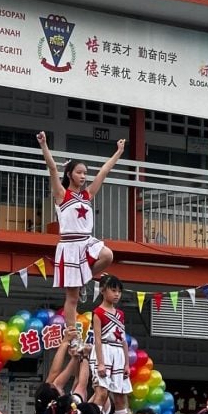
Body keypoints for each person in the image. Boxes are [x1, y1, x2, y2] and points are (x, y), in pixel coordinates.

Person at [36, 131, 124, 340]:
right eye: (79, 172)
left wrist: (118, 152)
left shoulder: (87, 194)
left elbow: (104, 171)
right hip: (70, 245)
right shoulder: (61, 195)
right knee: (72, 297)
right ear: (70, 174)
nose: (84, 176)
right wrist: (44, 145)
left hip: (86, 241)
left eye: (85, 173)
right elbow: (52, 167)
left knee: (108, 255)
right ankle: (72, 334)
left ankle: (84, 279)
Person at [90, 274, 135, 414]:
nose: (117, 294)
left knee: (120, 397)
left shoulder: (120, 314)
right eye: (113, 290)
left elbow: (123, 339)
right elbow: (98, 340)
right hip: (104, 353)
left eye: (119, 291)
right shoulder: (98, 312)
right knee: (101, 393)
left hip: (118, 354)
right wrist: (101, 363)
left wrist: (126, 364)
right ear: (102, 290)